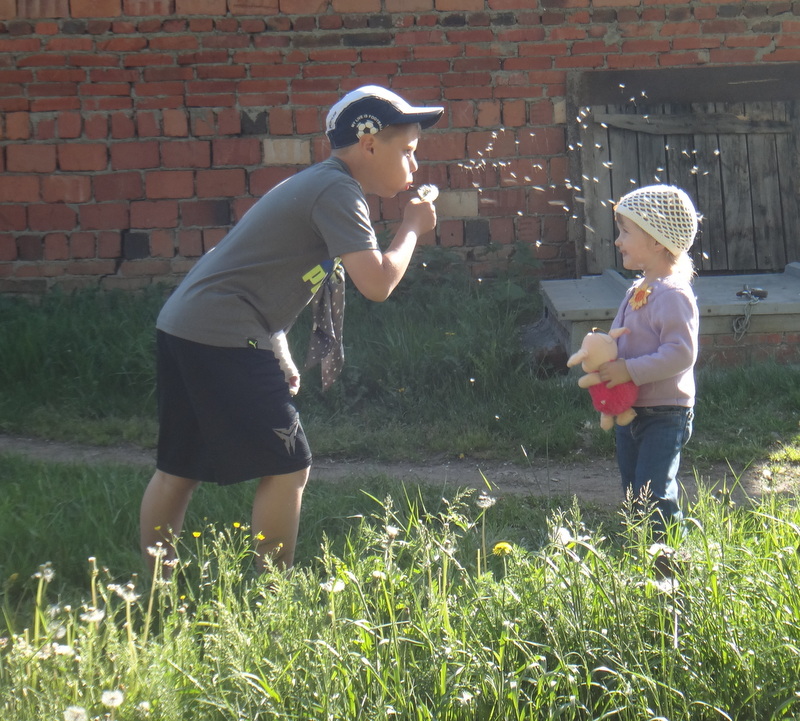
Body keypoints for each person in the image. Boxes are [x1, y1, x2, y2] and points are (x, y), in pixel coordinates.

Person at [139, 85, 444, 575]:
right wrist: (411, 226)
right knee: (288, 466)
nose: (414, 165)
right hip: (222, 333)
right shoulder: (337, 191)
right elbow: (377, 283)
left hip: (186, 325)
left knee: (179, 468)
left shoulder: (320, 184)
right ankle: (272, 594)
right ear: (369, 144)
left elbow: (255, 270)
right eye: (407, 151)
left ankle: (156, 588)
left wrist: (276, 347)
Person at [597, 184, 700, 538]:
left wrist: (628, 370)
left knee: (654, 493)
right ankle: (642, 553)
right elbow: (616, 341)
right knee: (633, 491)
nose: (618, 241)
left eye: (625, 232)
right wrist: (600, 356)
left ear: (656, 240)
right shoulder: (636, 290)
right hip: (631, 410)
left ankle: (669, 558)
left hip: (665, 413)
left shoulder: (673, 294)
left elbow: (681, 353)